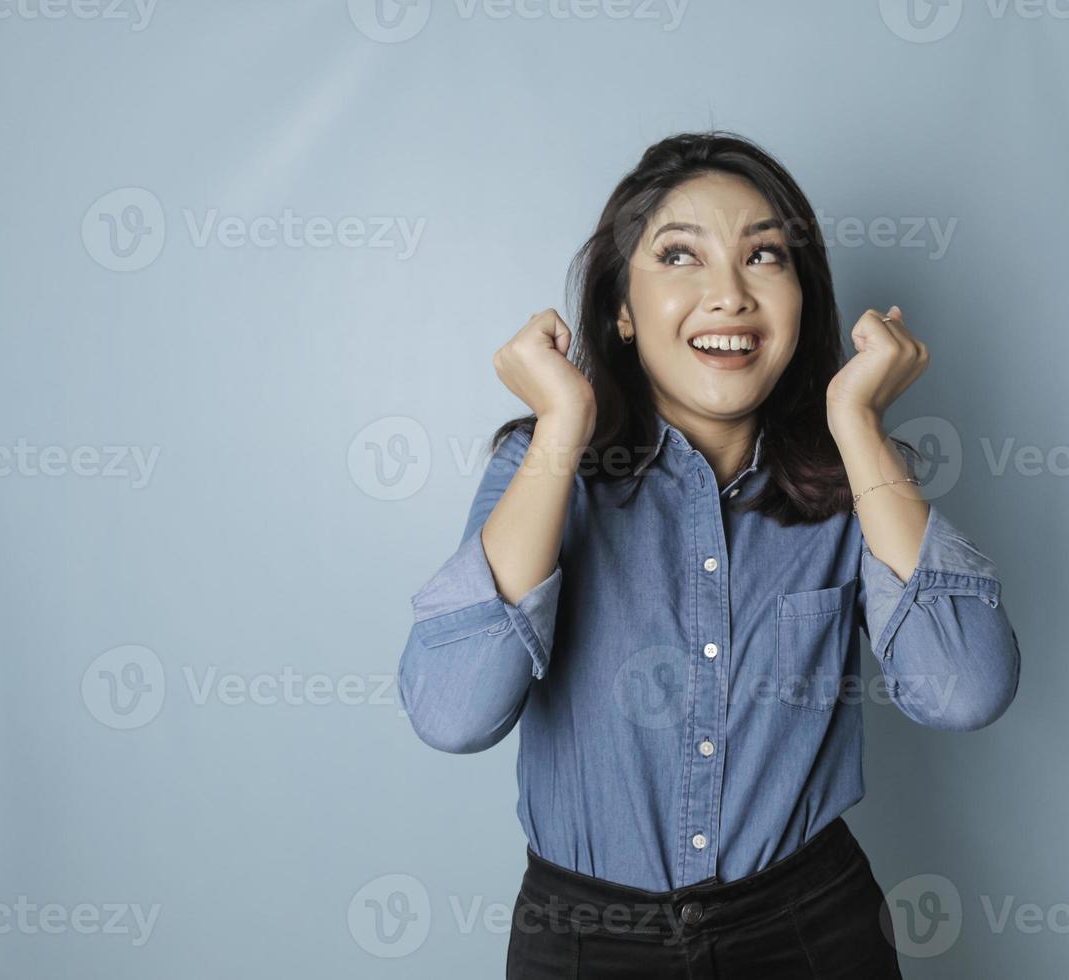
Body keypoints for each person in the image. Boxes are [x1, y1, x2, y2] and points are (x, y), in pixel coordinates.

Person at [397, 131, 1021, 978]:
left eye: (764, 256)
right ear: (621, 310)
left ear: (803, 303)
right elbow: (452, 713)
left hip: (811, 930)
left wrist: (857, 426)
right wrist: (561, 427)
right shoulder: (542, 469)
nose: (728, 295)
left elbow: (967, 689)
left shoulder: (856, 481)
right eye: (680, 256)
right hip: (584, 943)